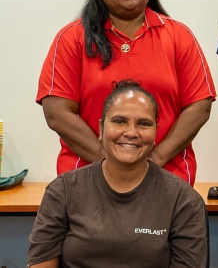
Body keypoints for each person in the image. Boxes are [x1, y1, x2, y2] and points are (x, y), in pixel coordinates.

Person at [37, 0, 215, 185]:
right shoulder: (71, 39)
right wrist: (110, 164)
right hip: (86, 183)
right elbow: (57, 113)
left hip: (167, 180)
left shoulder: (179, 36)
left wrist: (154, 161)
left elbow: (199, 107)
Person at [28, 81, 208, 267]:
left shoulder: (184, 200)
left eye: (144, 124)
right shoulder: (63, 190)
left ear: (155, 132)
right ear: (101, 128)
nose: (131, 132)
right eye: (119, 121)